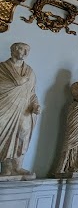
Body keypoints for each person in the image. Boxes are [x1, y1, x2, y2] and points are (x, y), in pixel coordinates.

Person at [0, 43, 40, 177]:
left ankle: (17, 167)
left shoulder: (30, 71)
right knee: (5, 137)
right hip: (5, 107)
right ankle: (6, 168)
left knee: (23, 135)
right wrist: (17, 82)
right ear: (13, 50)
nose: (26, 53)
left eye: (28, 50)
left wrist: (35, 105)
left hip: (24, 109)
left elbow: (32, 93)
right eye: (23, 49)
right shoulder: (2, 68)